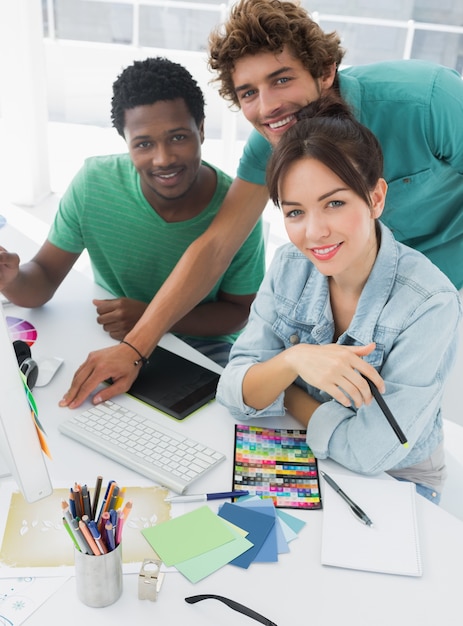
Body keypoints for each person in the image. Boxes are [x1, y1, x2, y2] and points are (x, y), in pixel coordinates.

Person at [59, 0, 463, 408]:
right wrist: (134, 349)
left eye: (282, 79)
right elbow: (216, 246)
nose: (268, 107)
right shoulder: (270, 144)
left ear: (325, 71)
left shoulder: (428, 101)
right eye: (249, 92)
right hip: (361, 287)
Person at [216, 95, 463, 503]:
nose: (314, 233)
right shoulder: (289, 264)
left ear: (376, 198)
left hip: (397, 476)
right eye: (295, 212)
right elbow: (233, 390)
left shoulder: (429, 303)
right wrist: (296, 360)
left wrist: (282, 386)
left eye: (334, 203)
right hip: (301, 446)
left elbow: (370, 451)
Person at [0, 57, 265, 368]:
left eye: (178, 137)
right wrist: (11, 279)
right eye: (143, 144)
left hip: (201, 346)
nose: (163, 159)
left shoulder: (238, 208)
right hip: (114, 332)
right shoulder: (93, 184)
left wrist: (149, 316)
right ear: (125, 143)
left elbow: (238, 313)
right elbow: (42, 279)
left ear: (202, 130)